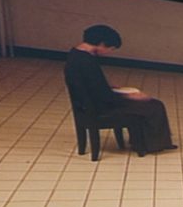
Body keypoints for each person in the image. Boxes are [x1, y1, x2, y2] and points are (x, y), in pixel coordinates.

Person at [65, 24, 177, 153]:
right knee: (154, 105)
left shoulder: (76, 54)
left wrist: (111, 88)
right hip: (99, 107)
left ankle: (144, 142)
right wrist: (129, 96)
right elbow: (103, 95)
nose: (109, 52)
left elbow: (92, 85)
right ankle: (150, 145)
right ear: (102, 44)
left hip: (88, 104)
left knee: (150, 104)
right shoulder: (86, 61)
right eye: (110, 49)